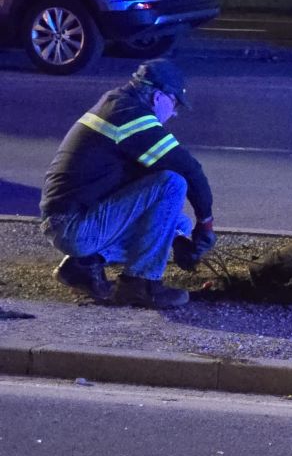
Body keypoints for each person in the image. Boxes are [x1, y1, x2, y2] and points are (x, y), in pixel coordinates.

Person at [39, 59, 216, 308]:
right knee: (172, 183)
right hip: (74, 227)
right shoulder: (130, 117)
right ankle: (140, 285)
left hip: (70, 222)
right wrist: (206, 224)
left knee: (178, 224)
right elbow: (189, 170)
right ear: (158, 97)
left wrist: (176, 241)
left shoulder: (117, 105)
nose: (173, 113)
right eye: (174, 103)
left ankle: (83, 265)